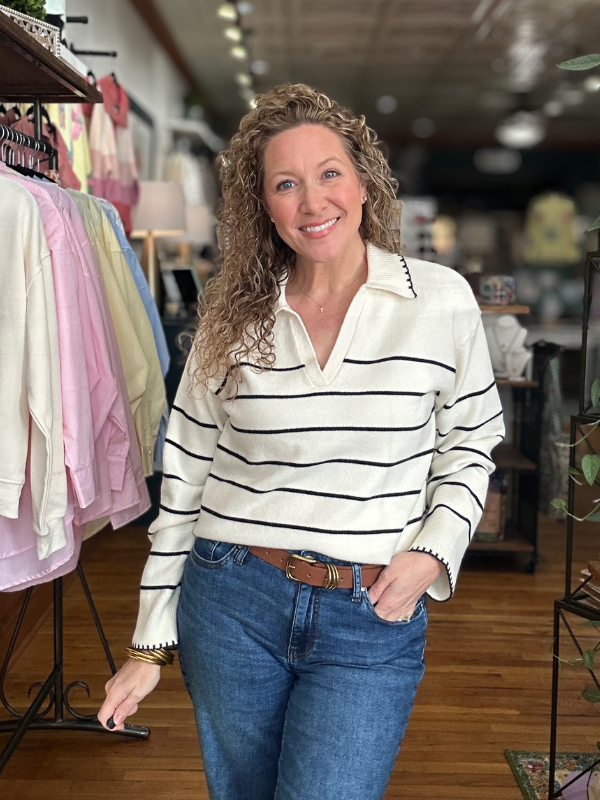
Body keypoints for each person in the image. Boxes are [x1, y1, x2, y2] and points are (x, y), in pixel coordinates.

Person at [98, 83, 505, 800]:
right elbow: (185, 477)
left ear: (364, 183)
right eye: (286, 183)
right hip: (232, 598)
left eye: (329, 173)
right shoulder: (233, 315)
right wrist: (148, 643)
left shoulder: (439, 299)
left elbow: (471, 443)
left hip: (371, 609)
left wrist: (433, 552)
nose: (313, 202)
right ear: (263, 204)